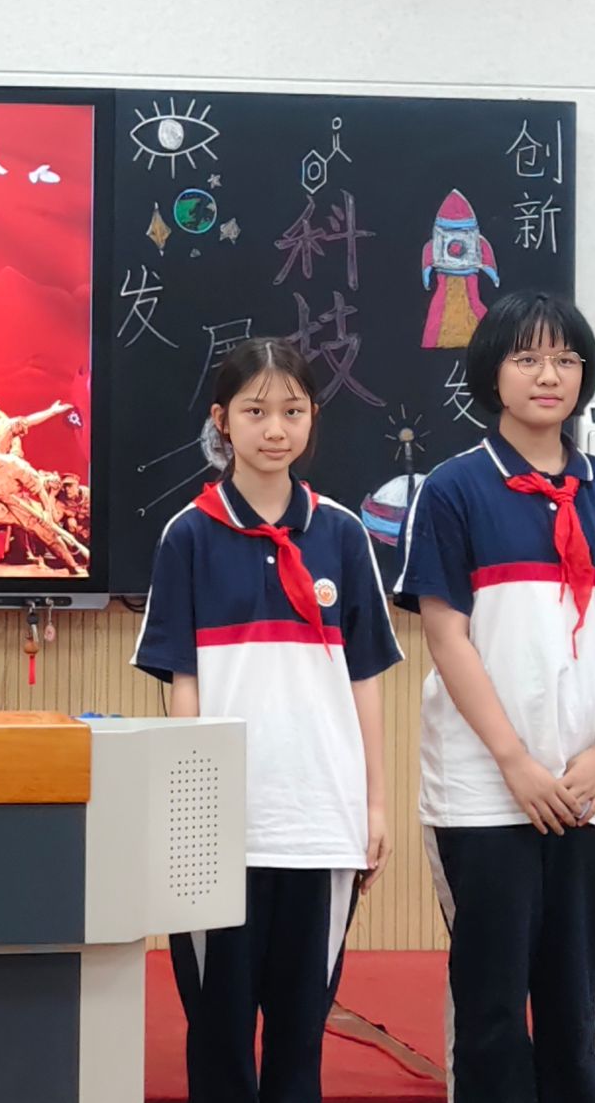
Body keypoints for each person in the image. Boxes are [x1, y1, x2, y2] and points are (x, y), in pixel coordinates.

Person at [395, 291, 595, 1103]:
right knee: (489, 1004)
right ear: (493, 373)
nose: (548, 375)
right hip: (485, 790)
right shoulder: (454, 489)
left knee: (575, 1004)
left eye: (565, 359)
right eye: (527, 358)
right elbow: (447, 637)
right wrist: (515, 762)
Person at [133, 336, 400, 1103]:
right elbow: (183, 686)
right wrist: (188, 812)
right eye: (255, 411)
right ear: (222, 421)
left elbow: (364, 682)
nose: (275, 429)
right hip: (221, 832)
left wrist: (374, 804)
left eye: (292, 410)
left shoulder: (343, 535)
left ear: (313, 416)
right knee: (219, 1036)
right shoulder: (188, 534)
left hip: (321, 824)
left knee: (299, 1037)